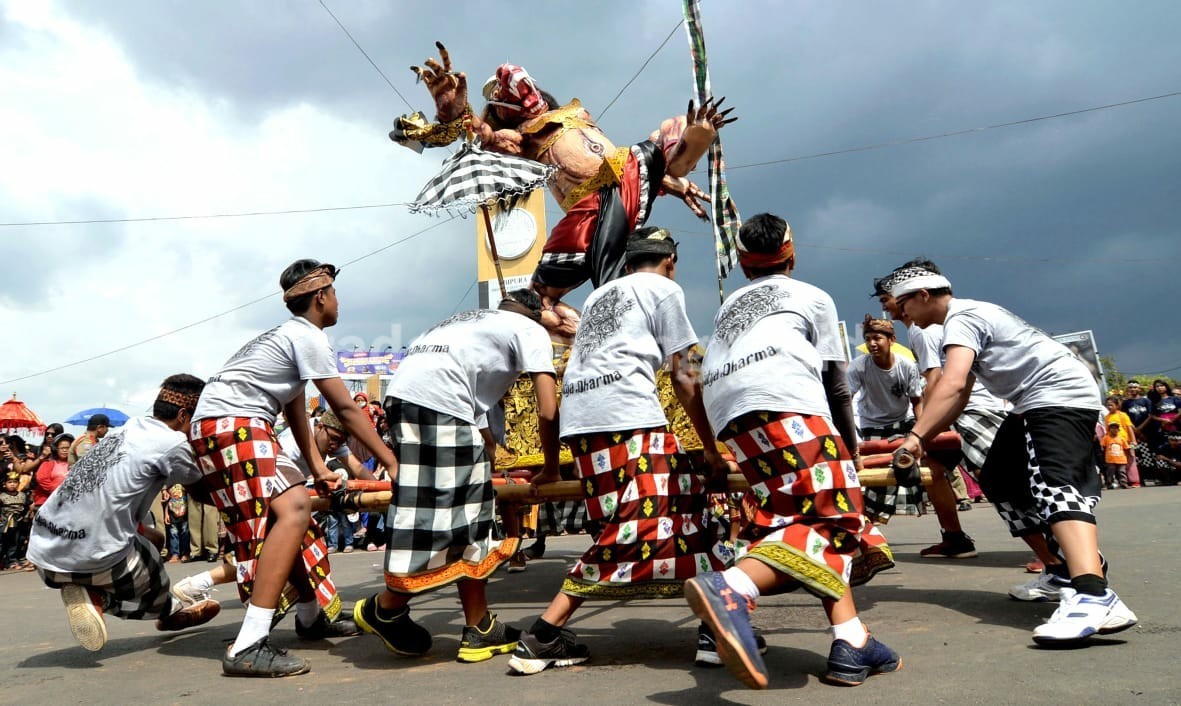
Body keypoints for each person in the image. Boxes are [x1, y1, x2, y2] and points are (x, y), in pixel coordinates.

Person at [682, 213, 898, 690]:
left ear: (742, 264)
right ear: (791, 254)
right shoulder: (811, 295)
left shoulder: (729, 303)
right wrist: (851, 448)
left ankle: (852, 641)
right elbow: (836, 385)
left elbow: (692, 372)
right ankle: (731, 588)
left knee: (796, 521)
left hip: (730, 415)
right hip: (786, 404)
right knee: (835, 520)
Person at [508, 228, 731, 676]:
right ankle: (543, 633)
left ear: (629, 264)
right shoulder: (665, 288)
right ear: (670, 260)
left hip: (583, 419)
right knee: (634, 522)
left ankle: (715, 630)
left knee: (686, 511)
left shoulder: (599, 296)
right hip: (626, 415)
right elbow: (686, 373)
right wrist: (711, 448)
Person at [887, 262, 1137, 645]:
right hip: (1027, 403)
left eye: (903, 306)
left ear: (923, 296)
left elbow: (951, 385)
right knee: (999, 477)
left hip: (1058, 396)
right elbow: (961, 394)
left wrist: (915, 437)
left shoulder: (962, 318)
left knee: (1054, 485)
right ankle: (1060, 571)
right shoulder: (961, 320)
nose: (900, 314)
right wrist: (921, 437)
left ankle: (1093, 593)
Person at [395, 44, 736, 306]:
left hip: (627, 175)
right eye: (500, 95)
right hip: (586, 207)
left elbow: (610, 161)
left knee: (666, 130)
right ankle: (571, 340)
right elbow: (482, 135)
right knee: (540, 296)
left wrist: (674, 180)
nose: (511, 91)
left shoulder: (575, 113)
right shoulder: (521, 139)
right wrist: (458, 114)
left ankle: (687, 143)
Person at [188, 259, 397, 677]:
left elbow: (295, 408)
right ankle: (248, 644)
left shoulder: (286, 339)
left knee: (295, 520)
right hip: (237, 426)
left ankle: (308, 617)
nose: (338, 301)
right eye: (335, 293)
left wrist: (317, 465)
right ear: (321, 296)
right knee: (297, 509)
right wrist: (394, 462)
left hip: (218, 427)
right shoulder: (308, 337)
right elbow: (344, 409)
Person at [353, 289, 560, 664]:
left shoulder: (470, 324)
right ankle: (385, 606)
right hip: (441, 407)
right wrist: (552, 467)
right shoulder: (529, 331)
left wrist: (492, 460)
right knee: (452, 523)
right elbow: (548, 410)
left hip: (404, 400)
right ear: (534, 315)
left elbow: (479, 419)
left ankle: (478, 625)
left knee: (452, 518)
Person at [25, 375, 221, 651]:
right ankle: (108, 601)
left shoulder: (123, 431)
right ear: (183, 415)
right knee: (155, 579)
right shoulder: (172, 443)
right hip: (92, 561)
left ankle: (165, 608)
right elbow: (201, 491)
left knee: (154, 539)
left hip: (43, 555)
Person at [848, 315, 924, 524]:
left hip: (902, 421)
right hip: (872, 424)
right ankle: (867, 524)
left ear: (891, 340)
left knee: (906, 468)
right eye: (868, 338)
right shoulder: (858, 366)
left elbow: (917, 400)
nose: (872, 343)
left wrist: (920, 434)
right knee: (875, 478)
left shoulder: (906, 366)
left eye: (877, 338)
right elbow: (847, 400)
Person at [31, 434, 74, 514]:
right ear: (56, 449)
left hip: (67, 504)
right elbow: (41, 479)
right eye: (62, 448)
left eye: (67, 448)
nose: (65, 450)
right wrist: (58, 492)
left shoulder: (75, 464)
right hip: (46, 502)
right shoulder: (48, 463)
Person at [1104, 396, 1139, 487]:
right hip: (1113, 443)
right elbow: (1107, 430)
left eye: (1111, 405)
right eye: (1107, 405)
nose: (1109, 407)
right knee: (1117, 463)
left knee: (1130, 461)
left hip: (1125, 441)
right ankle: (1121, 481)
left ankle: (1134, 481)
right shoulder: (1107, 417)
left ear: (1117, 405)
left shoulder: (1122, 415)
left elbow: (1129, 427)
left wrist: (1133, 440)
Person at [1, 471, 30, 571]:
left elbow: (28, 507)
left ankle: (12, 561)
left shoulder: (22, 495)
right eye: (9, 482)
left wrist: (25, 516)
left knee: (15, 542)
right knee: (2, 542)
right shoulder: (2, 496)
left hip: (18, 522)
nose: (12, 484)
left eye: (15, 482)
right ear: (4, 484)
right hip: (4, 523)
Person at [1099, 422, 1130, 490]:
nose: (1114, 430)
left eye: (1116, 428)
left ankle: (1123, 483)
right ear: (1109, 429)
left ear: (1118, 430)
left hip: (1121, 459)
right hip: (1110, 459)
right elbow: (1103, 447)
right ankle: (1109, 484)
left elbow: (1127, 448)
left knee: (1122, 472)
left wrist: (1129, 456)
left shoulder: (1122, 438)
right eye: (1112, 428)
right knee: (1110, 472)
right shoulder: (1106, 438)